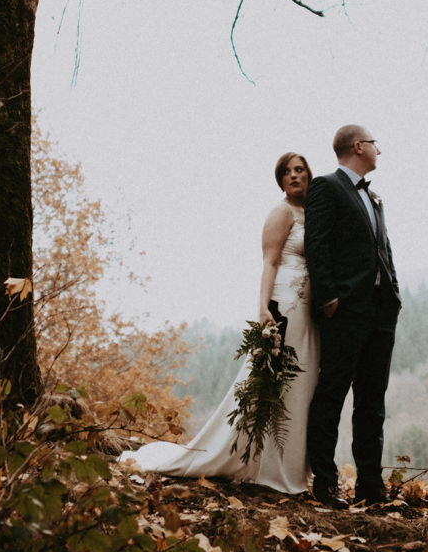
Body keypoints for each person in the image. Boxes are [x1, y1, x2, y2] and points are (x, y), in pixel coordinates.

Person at [119, 152, 317, 492]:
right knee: (272, 384)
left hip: (310, 311)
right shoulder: (280, 212)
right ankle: (260, 465)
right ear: (280, 180)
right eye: (287, 172)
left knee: (302, 385)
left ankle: (291, 467)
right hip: (286, 304)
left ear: (309, 174)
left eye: (300, 170)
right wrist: (262, 309)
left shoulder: (313, 214)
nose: (294, 176)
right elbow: (269, 263)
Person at [301, 124, 399, 509]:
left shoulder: (374, 198)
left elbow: (383, 251)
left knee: (372, 401)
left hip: (381, 311)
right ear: (358, 146)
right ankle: (326, 484)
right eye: (375, 143)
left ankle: (371, 488)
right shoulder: (326, 186)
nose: (379, 150)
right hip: (345, 311)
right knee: (332, 394)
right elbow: (317, 244)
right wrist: (329, 299)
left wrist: (394, 294)